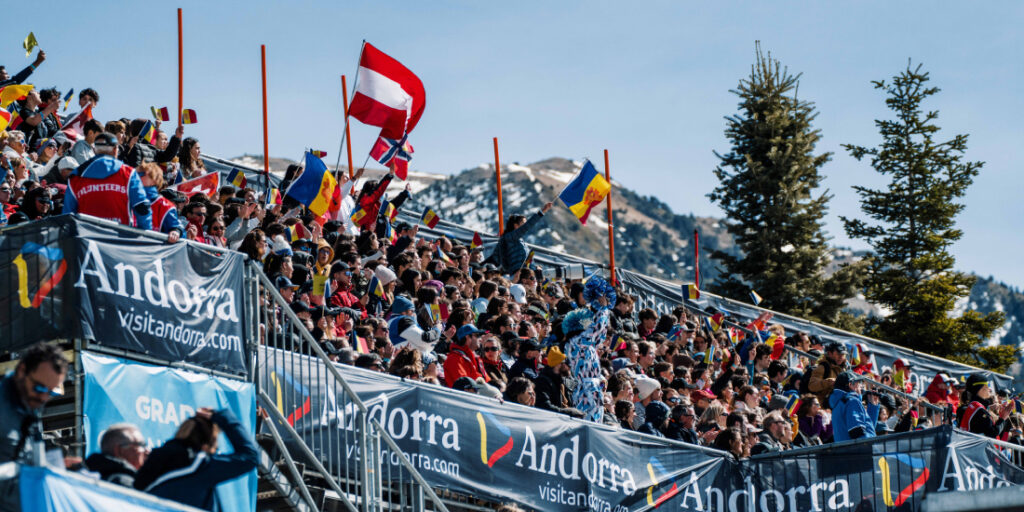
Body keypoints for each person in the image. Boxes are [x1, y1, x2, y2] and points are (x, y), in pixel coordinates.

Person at [134, 408, 258, 511]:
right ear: (209, 443)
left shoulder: (149, 468)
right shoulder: (199, 467)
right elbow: (250, 456)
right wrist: (223, 417)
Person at [63, 133, 152, 229]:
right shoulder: (128, 173)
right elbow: (142, 207)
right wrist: (144, 233)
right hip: (120, 235)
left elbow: (67, 214)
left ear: (94, 150)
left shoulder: (76, 176)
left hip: (86, 235)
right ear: (115, 149)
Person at [0, 342, 68, 463]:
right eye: (39, 388)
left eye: (50, 392)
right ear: (22, 371)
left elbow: (26, 457)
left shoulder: (30, 405)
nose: (43, 398)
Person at [488, 202, 554, 273]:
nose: (525, 225)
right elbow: (528, 225)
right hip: (517, 273)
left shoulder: (519, 240)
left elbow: (526, 261)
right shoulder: (510, 237)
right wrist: (542, 211)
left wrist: (535, 267)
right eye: (523, 223)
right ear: (515, 225)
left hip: (525, 272)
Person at [84, 424, 148, 487]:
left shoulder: (87, 476)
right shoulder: (123, 482)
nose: (147, 450)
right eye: (141, 445)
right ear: (119, 450)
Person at [829, 372, 881, 442]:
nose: (861, 386)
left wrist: (872, 407)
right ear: (850, 385)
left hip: (848, 448)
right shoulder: (852, 401)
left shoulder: (839, 404)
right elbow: (859, 435)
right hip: (859, 448)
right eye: (859, 383)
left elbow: (863, 430)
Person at [957, 373, 1012, 438]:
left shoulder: (972, 406)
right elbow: (992, 433)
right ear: (981, 388)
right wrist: (1003, 418)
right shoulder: (979, 410)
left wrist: (988, 409)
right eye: (988, 385)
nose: (989, 389)